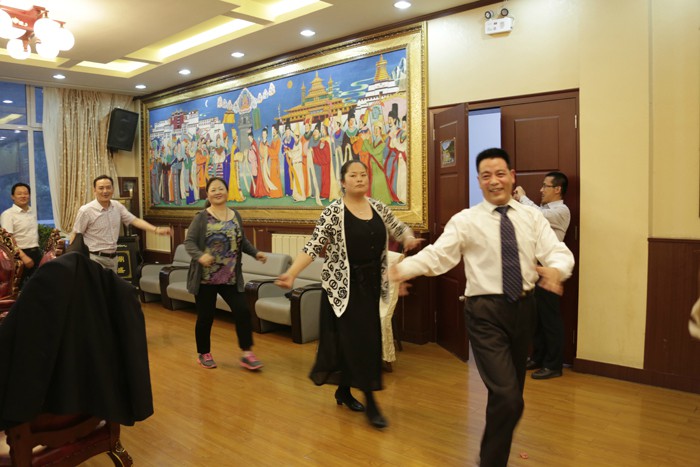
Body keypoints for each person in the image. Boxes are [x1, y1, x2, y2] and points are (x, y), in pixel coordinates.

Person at [390, 148, 574, 466]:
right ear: (479, 181)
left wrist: (558, 269)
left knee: (507, 395)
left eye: (500, 174)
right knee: (508, 396)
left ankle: (492, 459)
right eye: (486, 176)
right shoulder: (466, 220)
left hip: (523, 309)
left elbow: (556, 250)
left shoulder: (531, 217)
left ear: (512, 177)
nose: (494, 181)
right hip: (484, 312)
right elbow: (438, 255)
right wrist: (402, 269)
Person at [275, 160, 422, 429]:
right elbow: (313, 246)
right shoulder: (333, 212)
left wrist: (408, 238)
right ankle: (371, 402)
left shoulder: (378, 207)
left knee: (361, 341)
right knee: (361, 343)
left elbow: (399, 228)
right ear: (343, 182)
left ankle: (343, 390)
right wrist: (292, 273)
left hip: (371, 286)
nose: (360, 179)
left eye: (363, 174)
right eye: (353, 175)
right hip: (343, 288)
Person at [184, 176, 268, 371]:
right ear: (208, 195)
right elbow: (189, 242)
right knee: (205, 317)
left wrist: (256, 253)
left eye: (221, 188)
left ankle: (247, 353)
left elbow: (242, 241)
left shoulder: (235, 215)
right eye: (213, 190)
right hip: (205, 279)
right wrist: (200, 256)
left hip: (229, 277)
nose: (218, 192)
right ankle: (204, 353)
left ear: (227, 192)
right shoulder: (201, 217)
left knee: (243, 311)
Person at [513, 171, 571, 380]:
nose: (541, 190)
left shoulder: (561, 210)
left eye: (545, 186)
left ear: (557, 189)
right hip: (534, 272)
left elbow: (535, 213)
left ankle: (554, 365)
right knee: (536, 319)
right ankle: (538, 357)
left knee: (550, 320)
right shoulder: (541, 209)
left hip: (551, 273)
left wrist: (522, 197)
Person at [72, 175, 171, 273]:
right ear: (94, 190)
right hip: (94, 258)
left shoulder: (117, 206)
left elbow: (134, 220)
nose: (105, 191)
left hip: (113, 259)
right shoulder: (86, 210)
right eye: (101, 188)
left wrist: (156, 230)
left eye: (108, 187)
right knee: (97, 284)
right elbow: (76, 233)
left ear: (113, 189)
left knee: (112, 284)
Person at [0, 183, 42, 287]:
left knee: (36, 287)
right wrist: (23, 257)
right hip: (19, 256)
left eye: (26, 193)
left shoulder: (31, 212)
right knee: (18, 288)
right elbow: (8, 240)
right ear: (12, 197)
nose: (23, 196)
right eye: (19, 194)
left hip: (36, 252)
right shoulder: (8, 214)